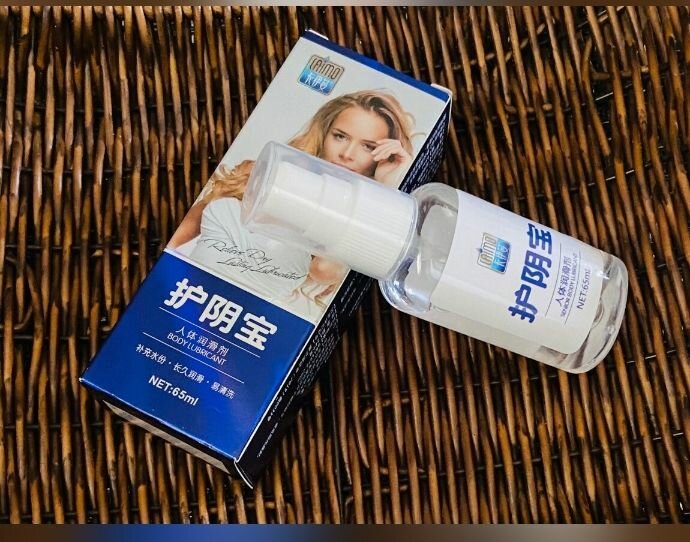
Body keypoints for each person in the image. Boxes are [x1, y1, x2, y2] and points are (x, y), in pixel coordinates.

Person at [168, 90, 415, 316]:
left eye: (368, 147)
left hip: (246, 320)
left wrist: (386, 190)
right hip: (181, 295)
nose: (347, 154)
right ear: (324, 133)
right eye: (340, 136)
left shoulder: (360, 234)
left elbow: (324, 269)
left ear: (382, 158)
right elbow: (176, 243)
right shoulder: (262, 174)